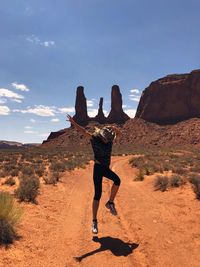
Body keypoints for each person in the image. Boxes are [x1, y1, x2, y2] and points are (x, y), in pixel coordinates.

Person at [66, 114, 121, 234]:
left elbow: (119, 134)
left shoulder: (110, 140)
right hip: (98, 169)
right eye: (105, 139)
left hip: (105, 168)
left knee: (117, 180)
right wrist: (73, 122)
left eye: (108, 140)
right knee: (97, 194)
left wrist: (115, 129)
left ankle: (110, 202)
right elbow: (83, 131)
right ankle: (94, 222)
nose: (106, 141)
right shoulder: (94, 139)